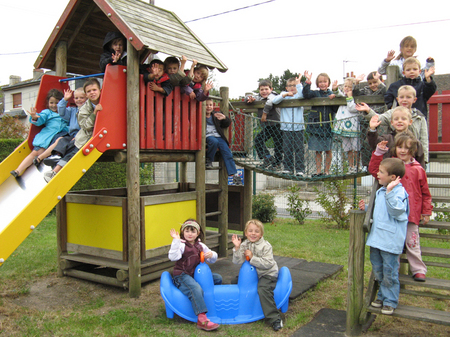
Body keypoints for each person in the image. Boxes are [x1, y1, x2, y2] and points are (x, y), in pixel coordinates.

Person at [368, 132, 432, 282]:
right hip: (392, 216)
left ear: (413, 150)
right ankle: (392, 269)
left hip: (411, 215)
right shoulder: (392, 165)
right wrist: (378, 153)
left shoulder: (418, 169)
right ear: (395, 148)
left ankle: (418, 269)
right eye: (400, 147)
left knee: (412, 243)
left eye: (407, 148)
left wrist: (426, 211)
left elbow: (425, 193)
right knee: (393, 245)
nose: (403, 151)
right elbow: (374, 170)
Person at [363, 158, 409, 315]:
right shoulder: (381, 191)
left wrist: (389, 192)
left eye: (381, 172)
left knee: (389, 272)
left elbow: (396, 210)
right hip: (377, 240)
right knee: (378, 270)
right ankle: (382, 296)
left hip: (389, 242)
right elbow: (381, 211)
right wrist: (367, 208)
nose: (378, 174)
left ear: (393, 178)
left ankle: (390, 300)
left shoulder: (399, 193)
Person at [43, 79, 103, 182]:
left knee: (71, 150)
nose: (92, 92)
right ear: (86, 95)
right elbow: (85, 126)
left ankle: (55, 169)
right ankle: (55, 169)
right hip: (85, 136)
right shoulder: (83, 109)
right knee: (71, 150)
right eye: (89, 91)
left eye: (94, 90)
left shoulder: (106, 101)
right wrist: (94, 114)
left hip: (97, 136)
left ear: (100, 90)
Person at [168, 219, 221, 331]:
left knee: (217, 278)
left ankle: (214, 303)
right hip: (182, 276)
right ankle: (202, 319)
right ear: (183, 232)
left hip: (194, 275)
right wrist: (176, 241)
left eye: (193, 231)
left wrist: (211, 255)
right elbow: (173, 257)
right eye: (187, 231)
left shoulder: (200, 245)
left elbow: (213, 259)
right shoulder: (181, 245)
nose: (190, 234)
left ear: (198, 233)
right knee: (196, 288)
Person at [231, 219, 283, 331]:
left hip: (267, 274)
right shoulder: (245, 244)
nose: (253, 233)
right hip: (253, 275)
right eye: (250, 231)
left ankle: (275, 319)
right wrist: (237, 248)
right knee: (235, 282)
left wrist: (253, 258)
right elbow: (237, 261)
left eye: (256, 231)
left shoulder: (265, 246)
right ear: (246, 233)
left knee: (263, 289)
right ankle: (241, 310)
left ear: (261, 234)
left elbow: (268, 264)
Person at [356, 85, 429, 163]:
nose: (404, 100)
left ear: (414, 100)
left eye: (408, 97)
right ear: (397, 99)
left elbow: (423, 138)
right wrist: (368, 111)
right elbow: (379, 118)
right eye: (401, 97)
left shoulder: (419, 117)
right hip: (394, 154)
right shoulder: (392, 113)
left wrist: (424, 159)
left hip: (412, 155)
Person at [10, 89, 67, 178]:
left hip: (57, 137)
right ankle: (18, 170)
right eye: (51, 103)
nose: (54, 105)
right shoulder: (48, 112)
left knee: (57, 145)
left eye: (56, 103)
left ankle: (40, 161)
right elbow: (41, 119)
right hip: (46, 137)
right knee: (36, 152)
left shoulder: (65, 113)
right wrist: (35, 117)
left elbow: (69, 124)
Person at [35, 88, 86, 166]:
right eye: (76, 98)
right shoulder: (72, 110)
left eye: (81, 98)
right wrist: (64, 100)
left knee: (71, 145)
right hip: (72, 134)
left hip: (81, 135)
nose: (79, 100)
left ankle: (58, 159)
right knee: (61, 140)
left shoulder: (88, 110)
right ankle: (54, 156)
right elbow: (61, 112)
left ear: (87, 98)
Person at [302, 71, 338, 176]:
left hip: (328, 127)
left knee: (328, 150)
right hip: (316, 126)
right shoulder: (315, 93)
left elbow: (336, 108)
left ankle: (326, 171)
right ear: (317, 84)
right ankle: (318, 171)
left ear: (328, 83)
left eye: (325, 82)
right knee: (318, 151)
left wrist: (334, 97)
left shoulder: (332, 94)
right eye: (320, 82)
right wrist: (308, 81)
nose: (322, 84)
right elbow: (306, 94)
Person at [245, 79, 283, 170]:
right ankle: (267, 158)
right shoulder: (258, 97)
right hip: (268, 126)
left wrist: (264, 114)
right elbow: (247, 96)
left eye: (266, 89)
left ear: (271, 89)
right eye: (262, 89)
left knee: (278, 145)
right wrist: (249, 99)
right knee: (258, 140)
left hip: (277, 124)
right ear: (259, 90)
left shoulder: (273, 95)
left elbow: (270, 102)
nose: (264, 91)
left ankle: (277, 164)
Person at [272, 76, 305, 176]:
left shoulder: (299, 95)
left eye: (294, 85)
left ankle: (300, 170)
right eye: (290, 86)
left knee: (299, 149)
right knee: (287, 148)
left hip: (298, 127)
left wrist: (299, 84)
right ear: (286, 88)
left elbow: (302, 95)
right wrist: (285, 95)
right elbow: (274, 101)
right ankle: (288, 168)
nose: (292, 87)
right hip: (286, 128)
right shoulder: (283, 95)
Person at [352, 71, 387, 168]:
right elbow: (356, 93)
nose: (373, 85)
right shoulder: (366, 90)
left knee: (378, 142)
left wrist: (379, 81)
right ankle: (365, 165)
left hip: (378, 120)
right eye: (370, 83)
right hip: (365, 120)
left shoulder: (382, 89)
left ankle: (380, 163)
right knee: (365, 143)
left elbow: (386, 91)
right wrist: (357, 83)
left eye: (375, 82)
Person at [205, 98, 242, 185]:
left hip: (218, 136)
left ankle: (234, 174)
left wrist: (225, 118)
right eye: (206, 105)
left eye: (210, 105)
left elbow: (227, 123)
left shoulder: (216, 115)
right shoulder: (200, 115)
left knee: (227, 152)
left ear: (213, 106)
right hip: (207, 136)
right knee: (214, 142)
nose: (208, 107)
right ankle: (209, 160)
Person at [333, 77, 362, 174]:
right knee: (348, 148)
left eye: (349, 87)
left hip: (353, 127)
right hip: (342, 127)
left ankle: (357, 165)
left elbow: (352, 108)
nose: (346, 88)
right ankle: (351, 166)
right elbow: (338, 94)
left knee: (356, 148)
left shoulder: (355, 99)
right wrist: (335, 89)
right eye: (345, 86)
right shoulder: (343, 96)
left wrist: (350, 98)